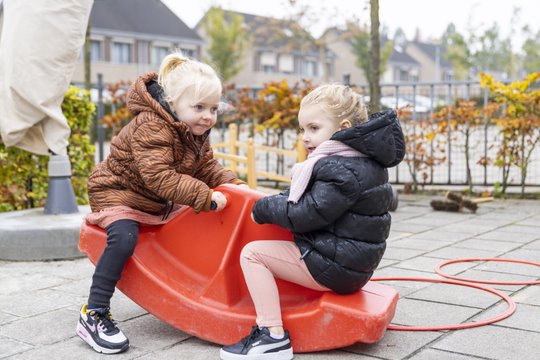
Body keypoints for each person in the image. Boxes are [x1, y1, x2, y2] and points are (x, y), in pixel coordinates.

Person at [76, 53, 247, 354]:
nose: (208, 116)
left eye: (213, 109)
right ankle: (94, 311)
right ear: (172, 101)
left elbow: (206, 167)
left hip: (154, 199)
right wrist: (204, 196)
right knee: (124, 238)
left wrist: (233, 184)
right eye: (199, 107)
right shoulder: (151, 126)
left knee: (201, 222)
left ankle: (195, 284)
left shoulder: (194, 130)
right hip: (119, 192)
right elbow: (159, 176)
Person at [220, 84, 405, 360]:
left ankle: (272, 336)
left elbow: (305, 214)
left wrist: (263, 207)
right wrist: (278, 200)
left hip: (336, 267)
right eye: (302, 129)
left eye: (314, 128)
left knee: (253, 254)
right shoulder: (361, 160)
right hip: (353, 263)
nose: (305, 137)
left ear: (342, 126)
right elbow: (311, 199)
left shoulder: (340, 168)